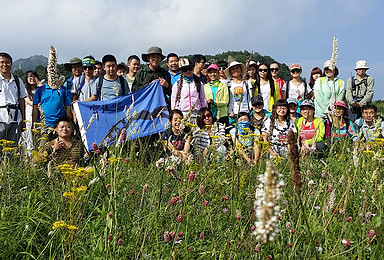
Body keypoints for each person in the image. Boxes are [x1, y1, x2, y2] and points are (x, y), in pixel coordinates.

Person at [0, 52, 27, 146]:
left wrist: (23, 119)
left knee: (12, 148)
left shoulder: (17, 80)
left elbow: (22, 100)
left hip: (16, 118)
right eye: (2, 62)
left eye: (7, 62)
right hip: (1, 117)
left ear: (11, 64)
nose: (4, 65)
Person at [171, 58, 207, 124]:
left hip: (196, 114)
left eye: (189, 69)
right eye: (185, 70)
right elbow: (174, 100)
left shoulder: (198, 83)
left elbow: (203, 99)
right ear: (181, 71)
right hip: (182, 114)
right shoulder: (177, 84)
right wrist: (175, 114)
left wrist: (204, 111)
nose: (188, 71)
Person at [225, 61, 252, 125]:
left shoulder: (247, 83)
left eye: (237, 68)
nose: (235, 70)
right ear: (230, 72)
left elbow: (250, 97)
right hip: (232, 113)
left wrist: (249, 109)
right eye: (233, 69)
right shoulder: (228, 84)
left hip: (245, 112)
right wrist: (229, 111)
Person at [22, 70, 41, 150]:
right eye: (30, 76)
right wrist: (38, 104)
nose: (32, 78)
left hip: (41, 115)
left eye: (33, 76)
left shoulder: (41, 89)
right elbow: (29, 102)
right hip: (29, 115)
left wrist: (40, 86)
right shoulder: (24, 90)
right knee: (29, 135)